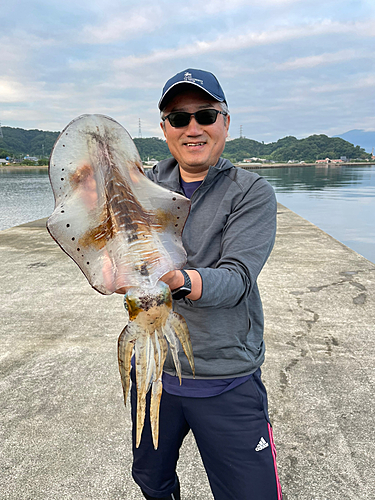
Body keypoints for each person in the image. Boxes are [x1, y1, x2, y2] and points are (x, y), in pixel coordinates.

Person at [130, 69, 282, 500]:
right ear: (164, 129)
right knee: (151, 481)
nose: (193, 128)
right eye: (179, 118)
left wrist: (177, 279)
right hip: (154, 369)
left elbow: (236, 279)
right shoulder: (142, 186)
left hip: (225, 375)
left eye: (206, 115)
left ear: (226, 122)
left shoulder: (250, 193)